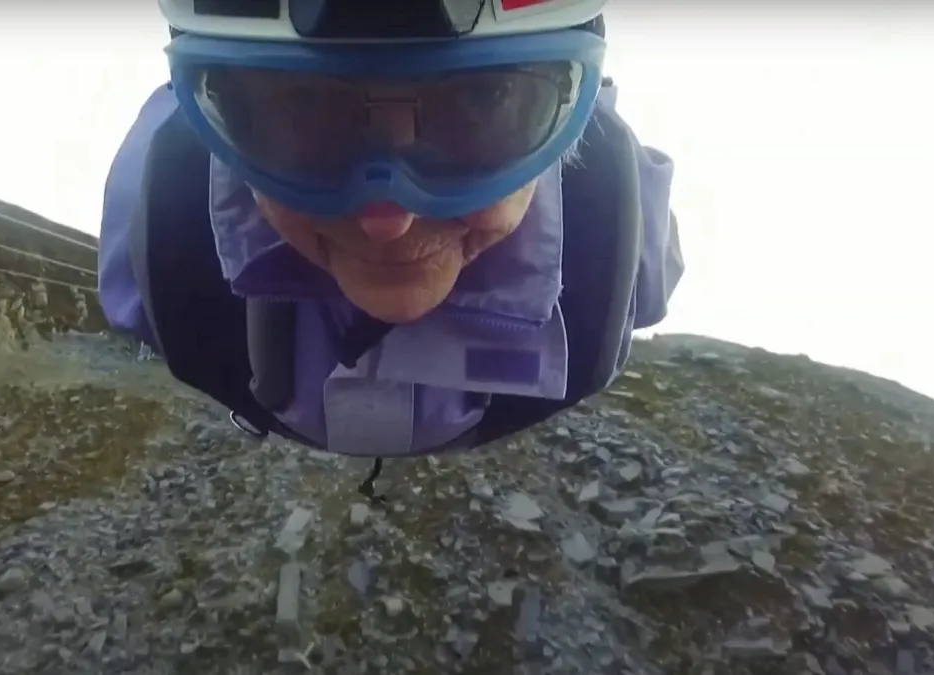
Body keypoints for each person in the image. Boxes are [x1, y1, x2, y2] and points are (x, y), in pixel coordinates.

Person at [98, 0, 683, 500]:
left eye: (481, 103)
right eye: (302, 108)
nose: (390, 220)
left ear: (566, 119)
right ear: (222, 117)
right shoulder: (162, 236)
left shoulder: (616, 241)